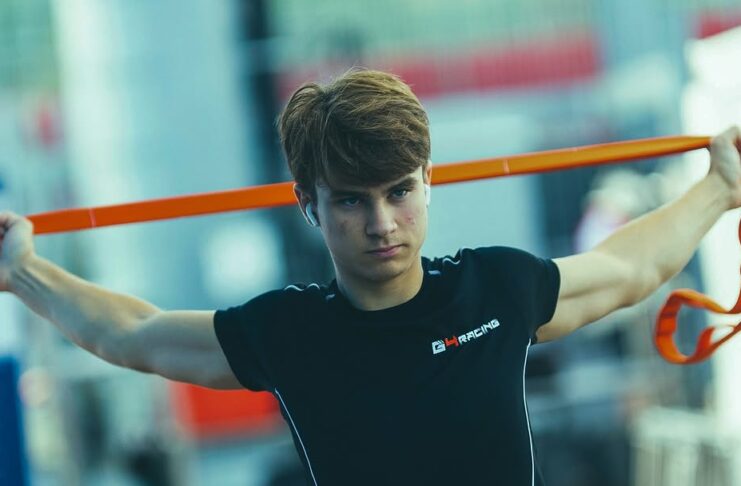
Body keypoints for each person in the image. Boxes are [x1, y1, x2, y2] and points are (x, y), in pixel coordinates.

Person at [1, 69, 739, 486]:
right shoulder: (287, 333)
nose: (383, 223)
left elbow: (627, 267)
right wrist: (21, 270)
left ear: (427, 181)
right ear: (308, 206)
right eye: (352, 201)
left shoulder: (495, 289)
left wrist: (720, 186)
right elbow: (133, 334)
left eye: (398, 191)